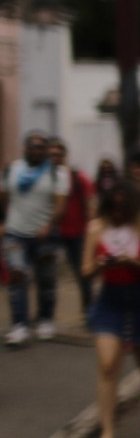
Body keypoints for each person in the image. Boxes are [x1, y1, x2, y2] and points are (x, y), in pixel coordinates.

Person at [82, 179, 140, 438]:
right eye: (113, 207)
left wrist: (131, 262)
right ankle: (107, 433)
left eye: (124, 207)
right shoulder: (96, 228)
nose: (118, 212)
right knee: (108, 366)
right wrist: (100, 264)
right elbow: (85, 271)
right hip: (110, 301)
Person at [2, 131, 69, 346]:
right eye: (33, 147)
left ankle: (45, 319)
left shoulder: (56, 173)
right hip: (15, 234)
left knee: (46, 280)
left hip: (44, 236)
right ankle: (20, 325)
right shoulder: (12, 170)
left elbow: (60, 205)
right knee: (17, 277)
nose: (37, 151)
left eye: (41, 148)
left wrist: (48, 226)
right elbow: (4, 198)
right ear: (25, 148)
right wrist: (5, 221)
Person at [50, 137, 95, 317]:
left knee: (82, 273)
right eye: (51, 155)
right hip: (54, 232)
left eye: (58, 154)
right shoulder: (44, 178)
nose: (55, 158)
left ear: (65, 155)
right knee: (47, 275)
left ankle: (89, 309)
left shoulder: (78, 177)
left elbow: (90, 204)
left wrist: (91, 231)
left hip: (78, 233)